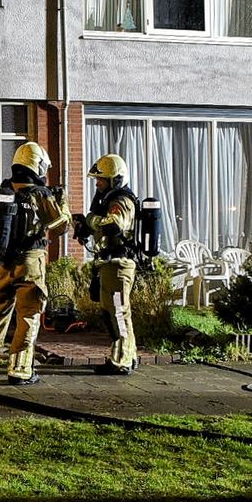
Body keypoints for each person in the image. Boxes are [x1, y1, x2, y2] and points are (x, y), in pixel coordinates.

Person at [0, 142, 71, 385]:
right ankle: (20, 369)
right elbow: (61, 225)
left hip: (2, 262)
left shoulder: (3, 191)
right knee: (29, 314)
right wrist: (63, 203)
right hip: (30, 261)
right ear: (36, 165)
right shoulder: (41, 194)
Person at [74, 153, 140, 375]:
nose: (97, 183)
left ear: (115, 180)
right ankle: (126, 354)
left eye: (101, 179)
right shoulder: (108, 201)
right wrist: (84, 226)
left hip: (119, 265)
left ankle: (122, 360)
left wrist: (90, 220)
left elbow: (113, 225)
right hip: (108, 264)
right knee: (110, 312)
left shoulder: (122, 201)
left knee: (119, 313)